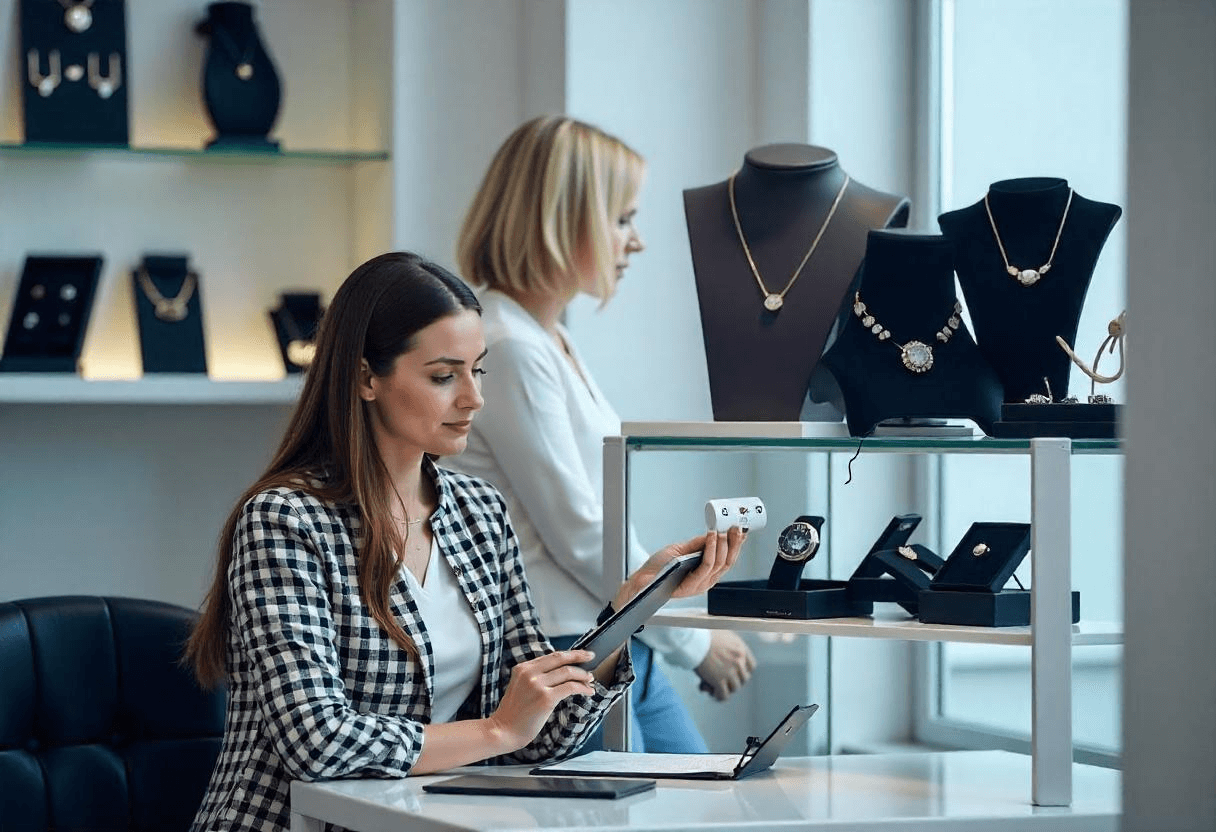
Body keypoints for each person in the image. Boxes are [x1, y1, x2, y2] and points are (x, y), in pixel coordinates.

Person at [183, 251, 744, 832]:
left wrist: (628, 610)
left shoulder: (479, 511)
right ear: (364, 377)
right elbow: (317, 743)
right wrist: (496, 729)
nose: (473, 397)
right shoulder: (285, 520)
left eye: (479, 370)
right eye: (443, 376)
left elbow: (539, 737)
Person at [450, 115, 757, 754]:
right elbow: (584, 530)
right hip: (563, 650)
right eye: (621, 219)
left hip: (611, 635)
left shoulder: (543, 339)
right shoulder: (509, 347)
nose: (635, 241)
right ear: (565, 219)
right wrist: (692, 641)